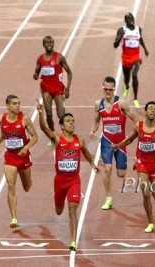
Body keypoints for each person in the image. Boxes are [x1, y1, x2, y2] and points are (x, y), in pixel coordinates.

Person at [37, 101, 99, 252]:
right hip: (59, 182)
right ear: (62, 126)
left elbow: (85, 152)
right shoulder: (57, 139)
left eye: (73, 121)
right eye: (68, 121)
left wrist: (92, 163)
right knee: (59, 211)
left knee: (72, 209)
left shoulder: (80, 140)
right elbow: (45, 129)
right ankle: (62, 210)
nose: (71, 123)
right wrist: (40, 115)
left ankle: (73, 241)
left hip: (74, 181)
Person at [112, 101, 155, 232]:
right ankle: (151, 223)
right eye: (150, 109)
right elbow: (129, 140)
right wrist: (118, 145)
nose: (153, 111)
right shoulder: (138, 126)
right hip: (141, 164)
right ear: (145, 112)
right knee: (145, 193)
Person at [90, 76, 137, 210]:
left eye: (110, 89)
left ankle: (118, 168)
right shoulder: (98, 104)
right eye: (106, 89)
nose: (108, 92)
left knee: (121, 174)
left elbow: (135, 119)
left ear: (114, 89)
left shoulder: (121, 103)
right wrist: (92, 130)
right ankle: (108, 199)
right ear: (103, 88)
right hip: (107, 142)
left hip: (121, 143)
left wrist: (139, 132)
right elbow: (97, 121)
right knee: (107, 168)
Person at [0, 94, 39, 228]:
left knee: (27, 187)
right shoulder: (0, 119)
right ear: (7, 106)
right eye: (14, 103)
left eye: (19, 103)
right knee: (11, 185)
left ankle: (28, 181)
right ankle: (13, 218)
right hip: (10, 157)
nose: (18, 105)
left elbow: (35, 137)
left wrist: (26, 147)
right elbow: (4, 134)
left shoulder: (25, 119)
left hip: (23, 157)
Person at [33, 36, 72, 139]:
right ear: (43, 45)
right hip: (46, 88)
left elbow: (69, 72)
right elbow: (36, 74)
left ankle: (66, 135)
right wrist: (35, 76)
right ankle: (52, 135)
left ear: (54, 43)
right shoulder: (40, 59)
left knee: (61, 115)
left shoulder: (59, 57)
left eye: (51, 42)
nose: (49, 44)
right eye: (46, 42)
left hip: (58, 88)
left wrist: (67, 88)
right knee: (49, 113)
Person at [114, 12, 149, 108]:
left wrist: (145, 49)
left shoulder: (138, 29)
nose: (131, 20)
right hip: (126, 57)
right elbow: (115, 45)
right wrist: (120, 38)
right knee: (126, 78)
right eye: (128, 19)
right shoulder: (121, 30)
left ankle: (135, 98)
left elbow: (140, 39)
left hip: (136, 56)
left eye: (132, 18)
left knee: (134, 75)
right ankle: (127, 87)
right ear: (125, 21)